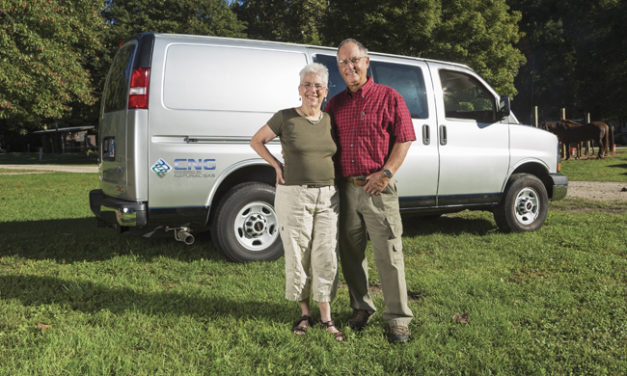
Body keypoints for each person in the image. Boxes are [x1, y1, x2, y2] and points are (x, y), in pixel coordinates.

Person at [325, 38, 415, 343]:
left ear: (366, 61)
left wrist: (386, 172)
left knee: (389, 253)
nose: (349, 67)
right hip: (346, 189)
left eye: (353, 60)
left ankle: (398, 319)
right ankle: (361, 307)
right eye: (342, 62)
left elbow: (404, 139)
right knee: (350, 255)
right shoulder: (334, 104)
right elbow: (322, 142)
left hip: (378, 189)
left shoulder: (390, 98)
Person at [250, 63, 344, 341]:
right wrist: (276, 166)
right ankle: (305, 313)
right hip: (294, 195)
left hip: (328, 196)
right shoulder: (285, 117)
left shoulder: (329, 120)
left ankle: (327, 317)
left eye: (317, 86)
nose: (312, 90)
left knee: (326, 254)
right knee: (297, 254)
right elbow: (257, 141)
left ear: (325, 91)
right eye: (307, 84)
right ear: (299, 89)